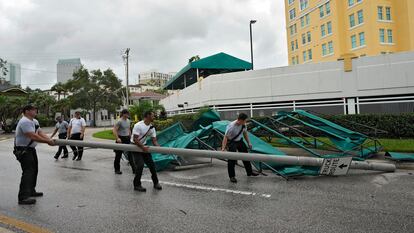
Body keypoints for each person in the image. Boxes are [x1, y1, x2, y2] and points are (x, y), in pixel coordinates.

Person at [13, 105, 54, 205]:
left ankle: (31, 190)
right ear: (27, 111)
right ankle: (23, 197)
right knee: (28, 172)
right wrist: (47, 141)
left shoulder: (34, 121)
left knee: (34, 170)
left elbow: (40, 132)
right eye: (34, 110)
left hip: (31, 149)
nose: (36, 111)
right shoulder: (24, 121)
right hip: (23, 150)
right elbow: (33, 136)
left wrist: (49, 139)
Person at [221, 113, 259, 183]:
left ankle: (249, 172)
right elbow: (225, 137)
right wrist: (223, 148)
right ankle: (232, 176)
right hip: (232, 142)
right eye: (244, 120)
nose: (245, 122)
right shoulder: (231, 126)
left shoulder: (243, 125)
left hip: (240, 141)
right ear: (240, 120)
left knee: (246, 157)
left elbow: (245, 134)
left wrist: (248, 142)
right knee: (231, 159)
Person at [131, 110, 162, 192]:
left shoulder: (151, 127)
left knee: (152, 164)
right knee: (140, 164)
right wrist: (142, 147)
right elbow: (135, 139)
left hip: (143, 146)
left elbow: (154, 141)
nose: (154, 117)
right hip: (135, 146)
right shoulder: (138, 125)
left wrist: (160, 148)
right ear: (148, 116)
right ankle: (137, 185)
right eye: (152, 115)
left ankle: (156, 183)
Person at [112, 109, 135, 174]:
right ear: (124, 114)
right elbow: (114, 130)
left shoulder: (128, 121)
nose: (128, 115)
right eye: (127, 114)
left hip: (127, 138)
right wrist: (117, 138)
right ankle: (117, 170)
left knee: (130, 154)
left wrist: (131, 137)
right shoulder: (119, 121)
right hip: (120, 139)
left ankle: (134, 169)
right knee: (118, 155)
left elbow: (128, 129)